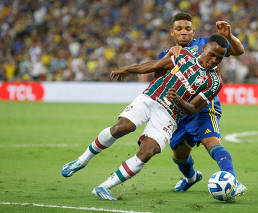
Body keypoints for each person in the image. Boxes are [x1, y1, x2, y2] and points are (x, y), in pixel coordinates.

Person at [62, 34, 228, 200]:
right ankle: (82, 161)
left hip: (169, 115)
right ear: (204, 48)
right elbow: (156, 65)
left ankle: (104, 187)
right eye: (212, 54)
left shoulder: (214, 82)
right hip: (151, 98)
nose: (214, 60)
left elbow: (192, 109)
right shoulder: (186, 54)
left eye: (219, 58)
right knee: (122, 127)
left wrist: (178, 100)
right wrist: (128, 70)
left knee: (148, 152)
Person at [135, 12, 247, 195]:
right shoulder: (167, 55)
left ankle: (232, 180)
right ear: (172, 33)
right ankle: (191, 177)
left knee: (211, 142)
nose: (184, 32)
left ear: (193, 32)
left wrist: (229, 37)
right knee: (179, 155)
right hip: (180, 111)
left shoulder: (205, 44)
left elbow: (238, 51)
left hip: (203, 106)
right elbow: (160, 83)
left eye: (188, 29)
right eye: (179, 29)